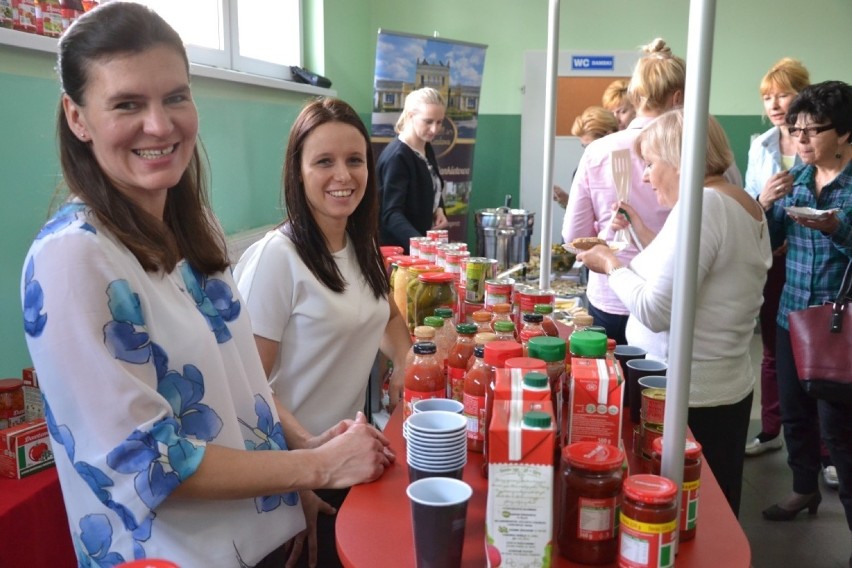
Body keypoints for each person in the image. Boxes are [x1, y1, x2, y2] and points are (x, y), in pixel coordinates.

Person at [20, 5, 393, 567]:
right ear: (77, 117)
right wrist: (319, 466)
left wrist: (303, 463)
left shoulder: (191, 232)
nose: (160, 125)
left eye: (175, 97)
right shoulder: (74, 257)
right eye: (127, 104)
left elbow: (245, 386)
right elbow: (150, 462)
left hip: (265, 536)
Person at [233, 97, 412, 567]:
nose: (343, 176)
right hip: (292, 477)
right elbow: (247, 386)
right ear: (298, 171)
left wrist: (406, 361)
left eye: (355, 160)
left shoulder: (359, 243)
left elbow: (385, 315)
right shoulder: (277, 257)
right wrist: (303, 470)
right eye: (324, 162)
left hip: (346, 466)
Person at [577, 108, 772, 516]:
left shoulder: (702, 206)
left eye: (650, 163)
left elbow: (656, 309)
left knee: (683, 516)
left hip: (689, 396)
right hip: (722, 387)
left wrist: (610, 265)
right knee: (715, 511)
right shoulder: (737, 202)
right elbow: (689, 279)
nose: (646, 176)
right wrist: (636, 232)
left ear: (678, 158)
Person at [759, 81, 852, 561]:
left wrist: (839, 228)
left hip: (839, 322)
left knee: (839, 427)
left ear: (845, 131)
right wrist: (766, 205)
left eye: (814, 130)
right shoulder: (795, 177)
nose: (803, 139)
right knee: (794, 410)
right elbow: (770, 240)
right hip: (791, 312)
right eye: (797, 130)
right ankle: (803, 488)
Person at [561, 38, 686, 344]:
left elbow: (574, 235)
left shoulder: (599, 150)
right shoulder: (694, 148)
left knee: (609, 384)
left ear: (635, 96)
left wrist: (606, 242)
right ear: (679, 97)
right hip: (671, 295)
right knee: (658, 389)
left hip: (610, 294)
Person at [743, 58, 811, 458]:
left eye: (783, 93)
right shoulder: (760, 144)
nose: (775, 103)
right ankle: (771, 430)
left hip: (815, 257)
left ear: (803, 92)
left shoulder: (823, 141)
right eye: (767, 96)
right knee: (772, 349)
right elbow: (752, 201)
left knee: (817, 354)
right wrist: (764, 205)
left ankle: (823, 451)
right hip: (772, 258)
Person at [377, 87, 449, 253]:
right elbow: (391, 214)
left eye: (439, 122)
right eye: (428, 121)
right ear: (410, 116)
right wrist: (421, 245)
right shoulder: (397, 157)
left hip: (419, 248)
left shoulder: (426, 147)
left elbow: (433, 184)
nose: (435, 129)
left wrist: (438, 209)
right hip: (399, 253)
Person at [552, 106, 620, 208]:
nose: (587, 153)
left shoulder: (628, 167)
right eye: (584, 147)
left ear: (609, 136)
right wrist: (567, 201)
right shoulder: (582, 172)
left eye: (590, 147)